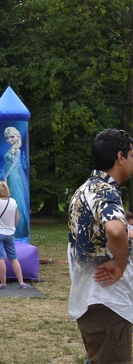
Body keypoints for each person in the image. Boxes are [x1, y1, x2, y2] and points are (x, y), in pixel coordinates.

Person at [68, 128, 133, 364]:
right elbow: (114, 230)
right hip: (108, 304)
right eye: (132, 155)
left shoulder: (84, 190)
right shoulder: (106, 192)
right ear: (120, 157)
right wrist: (120, 263)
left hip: (91, 301)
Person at [0, 181, 28, 289]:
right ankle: (21, 282)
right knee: (13, 258)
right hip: (10, 233)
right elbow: (17, 217)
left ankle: (3, 283)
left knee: (0, 258)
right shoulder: (13, 202)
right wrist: (12, 228)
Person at [2, 127, 30, 238]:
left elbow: (14, 166)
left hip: (13, 176)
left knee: (15, 198)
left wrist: (6, 175)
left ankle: (19, 229)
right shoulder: (10, 151)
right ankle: (9, 228)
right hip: (8, 176)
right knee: (9, 199)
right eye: (7, 138)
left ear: (17, 136)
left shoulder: (17, 151)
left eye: (12, 137)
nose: (9, 140)